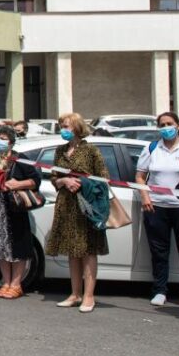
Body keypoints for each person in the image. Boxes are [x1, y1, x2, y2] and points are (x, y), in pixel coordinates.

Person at [46, 112, 109, 312]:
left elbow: (104, 178)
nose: (63, 130)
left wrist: (82, 182)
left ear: (77, 127)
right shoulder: (60, 150)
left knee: (88, 251)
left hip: (86, 207)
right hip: (66, 205)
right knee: (73, 251)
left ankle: (89, 296)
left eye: (67, 126)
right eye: (61, 126)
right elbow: (54, 176)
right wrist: (63, 181)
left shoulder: (91, 150)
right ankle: (75, 294)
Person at [135, 112, 179, 310]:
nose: (166, 127)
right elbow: (140, 177)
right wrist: (145, 197)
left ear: (178, 126)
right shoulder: (152, 148)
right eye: (162, 124)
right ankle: (160, 290)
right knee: (159, 252)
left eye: (169, 124)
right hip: (156, 206)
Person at [0, 124, 43, 299]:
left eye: (3, 139)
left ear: (11, 142)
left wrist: (17, 184)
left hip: (15, 209)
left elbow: (35, 180)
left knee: (18, 247)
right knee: (0, 247)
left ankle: (16, 284)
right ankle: (6, 282)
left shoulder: (20, 159)